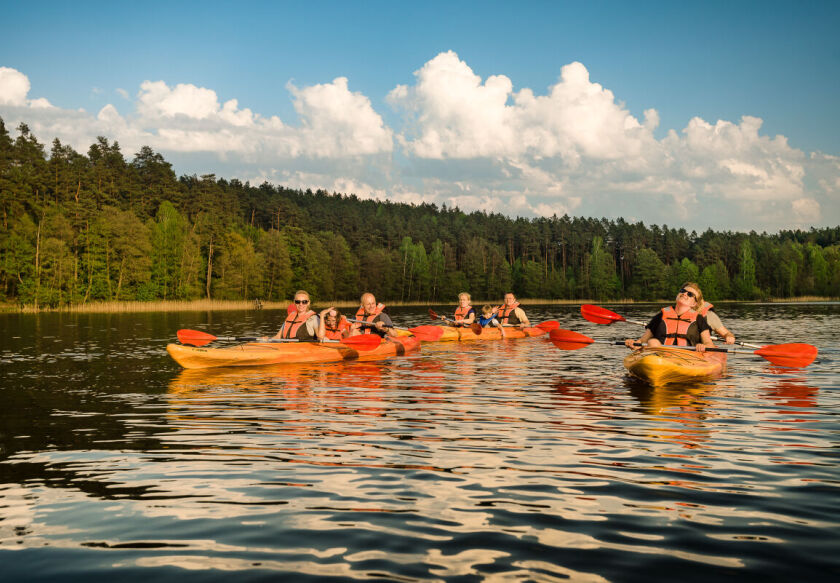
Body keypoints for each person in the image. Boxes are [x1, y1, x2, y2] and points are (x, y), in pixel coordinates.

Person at [625, 282, 715, 352]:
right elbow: (643, 340)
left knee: (653, 342)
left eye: (690, 294)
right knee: (653, 342)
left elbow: (709, 343)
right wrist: (633, 344)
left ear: (694, 303)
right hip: (660, 355)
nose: (684, 294)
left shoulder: (699, 319)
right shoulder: (660, 316)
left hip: (687, 357)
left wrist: (703, 346)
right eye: (683, 291)